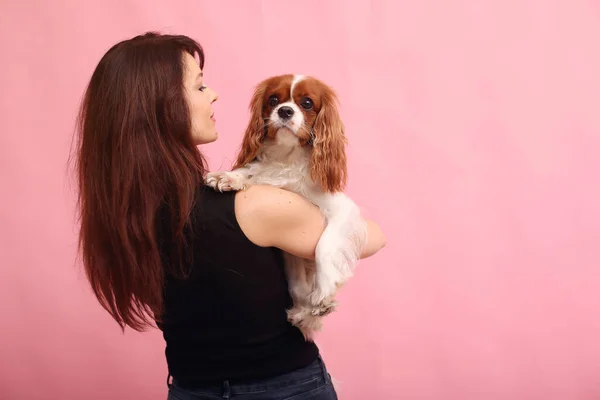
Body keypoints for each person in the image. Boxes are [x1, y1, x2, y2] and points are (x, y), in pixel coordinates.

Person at [73, 31, 386, 400]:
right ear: (162, 105)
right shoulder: (256, 204)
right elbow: (372, 236)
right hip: (284, 389)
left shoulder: (124, 213)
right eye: (200, 86)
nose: (214, 94)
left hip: (189, 390)